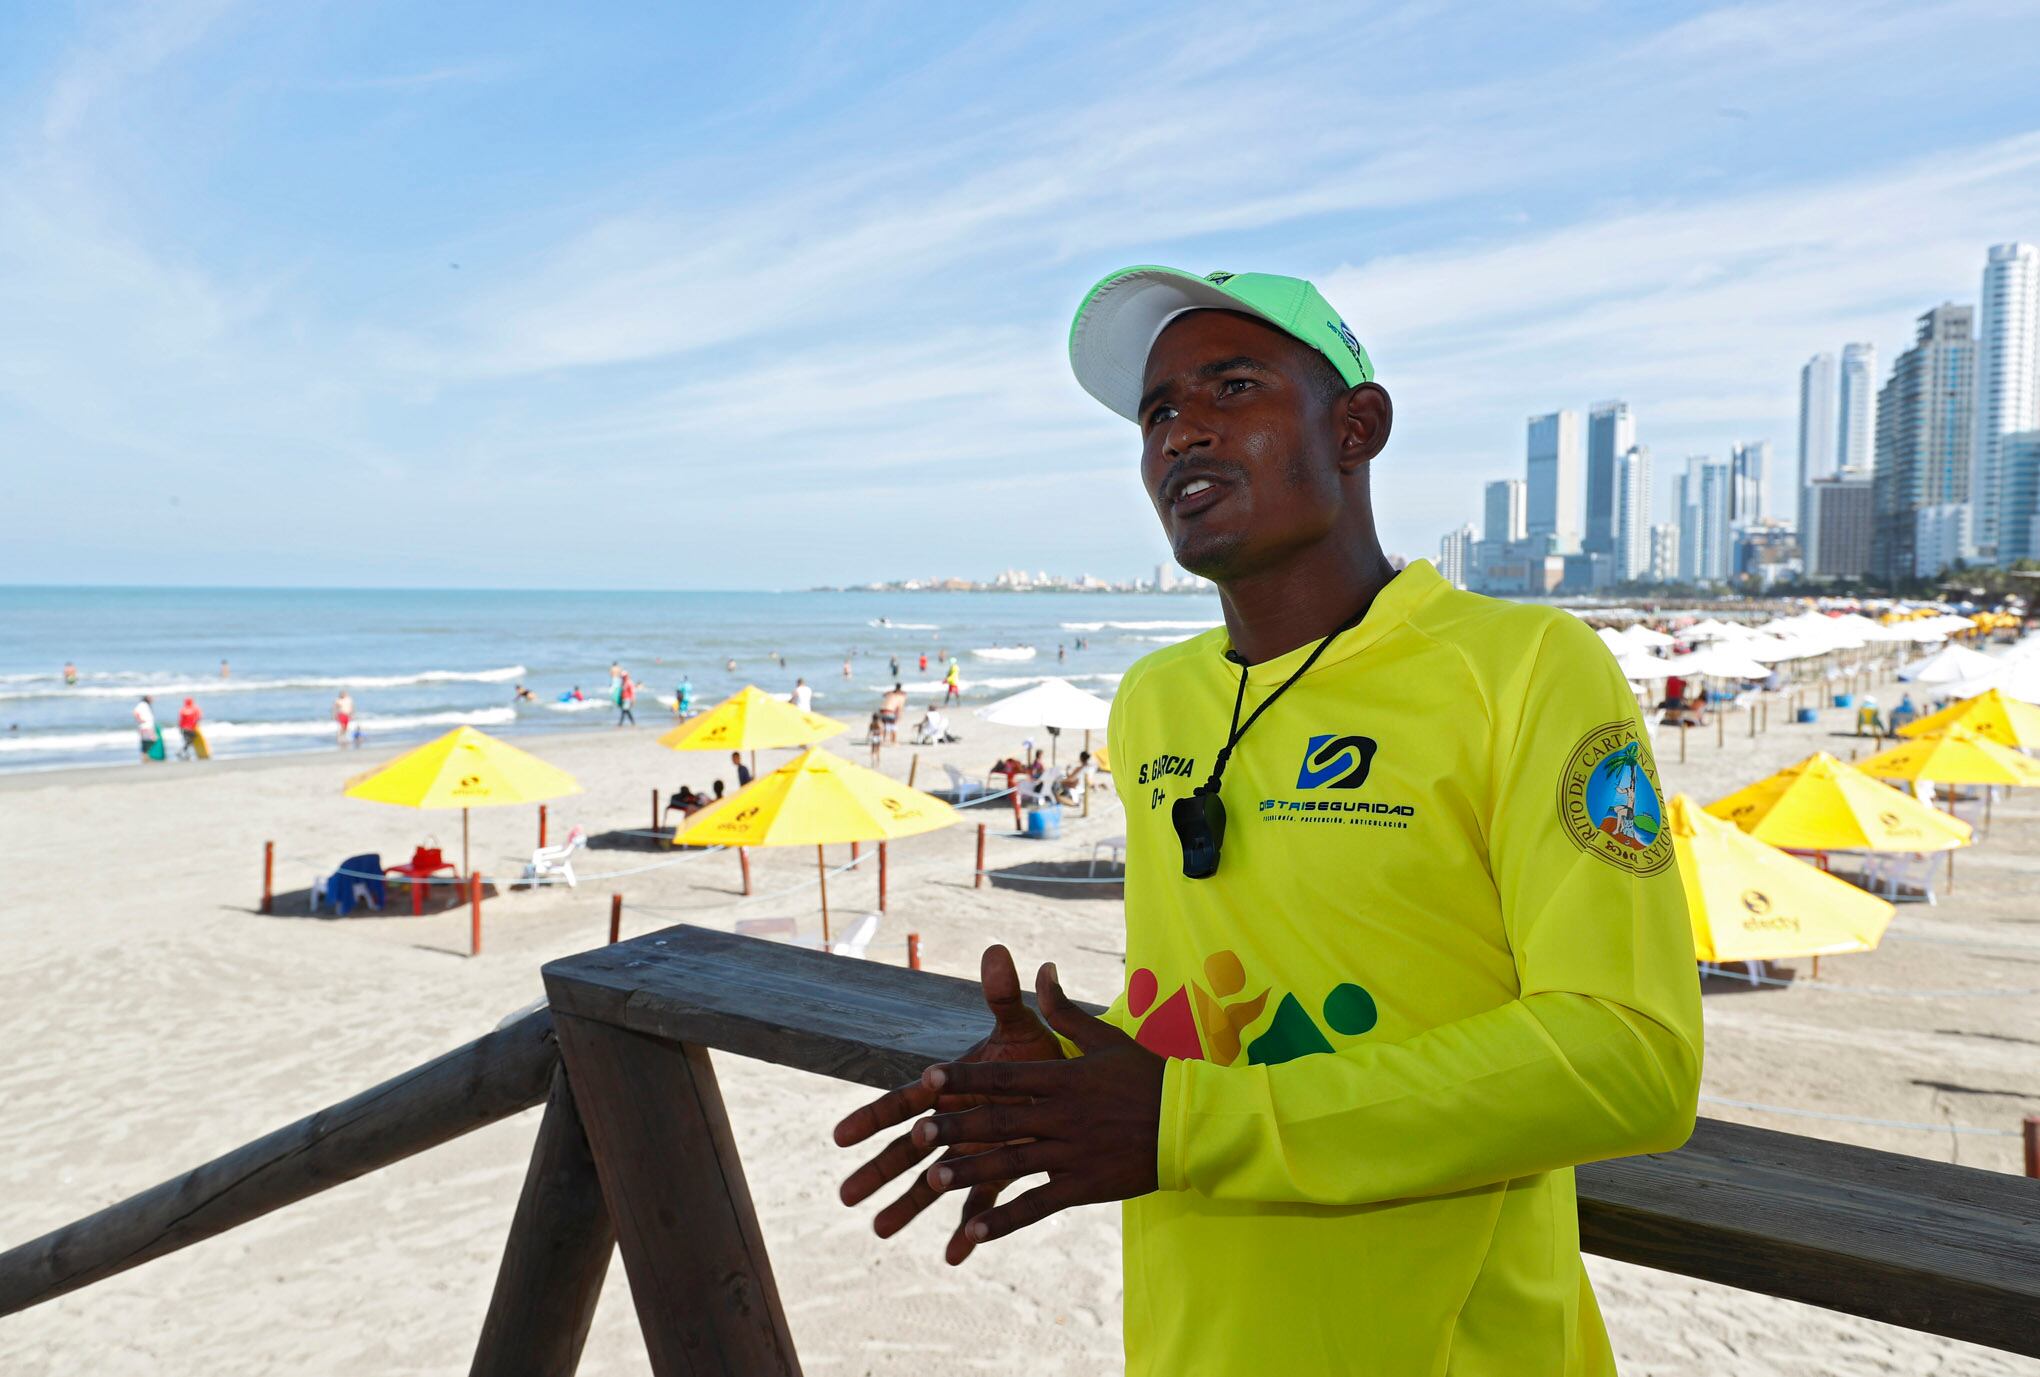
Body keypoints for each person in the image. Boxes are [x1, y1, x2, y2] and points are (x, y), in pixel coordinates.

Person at [832, 265, 1699, 1375]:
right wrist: (1064, 1075)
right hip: (1195, 1335)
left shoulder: (1525, 668)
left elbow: (1632, 1056)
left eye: (1231, 387)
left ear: (1356, 425)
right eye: (1157, 414)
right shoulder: (1155, 703)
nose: (1182, 432)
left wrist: (1186, 1120)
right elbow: (1220, 1007)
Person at [133, 694, 159, 762]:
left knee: (146, 741)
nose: (152, 700)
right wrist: (140, 720)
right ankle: (145, 755)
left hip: (147, 725)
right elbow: (135, 712)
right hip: (145, 726)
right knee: (152, 739)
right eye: (150, 698)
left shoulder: (145, 705)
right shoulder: (142, 704)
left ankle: (146, 756)